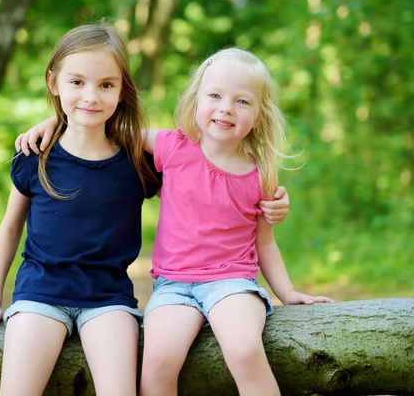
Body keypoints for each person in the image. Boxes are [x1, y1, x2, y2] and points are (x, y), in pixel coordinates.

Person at [18, 47, 332, 395]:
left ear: (258, 116)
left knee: (244, 350)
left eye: (242, 102)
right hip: (173, 287)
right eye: (215, 96)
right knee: (157, 363)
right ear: (196, 102)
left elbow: (265, 242)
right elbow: (100, 129)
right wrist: (55, 122)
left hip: (232, 282)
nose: (226, 107)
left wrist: (286, 293)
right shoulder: (172, 147)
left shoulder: (261, 176)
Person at [0, 23, 162, 396]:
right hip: (39, 295)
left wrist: (264, 197)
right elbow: (10, 227)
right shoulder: (36, 155)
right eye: (77, 82)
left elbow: (199, 173)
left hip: (109, 300)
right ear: (54, 82)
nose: (91, 96)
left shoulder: (136, 161)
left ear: (121, 90)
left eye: (106, 85)